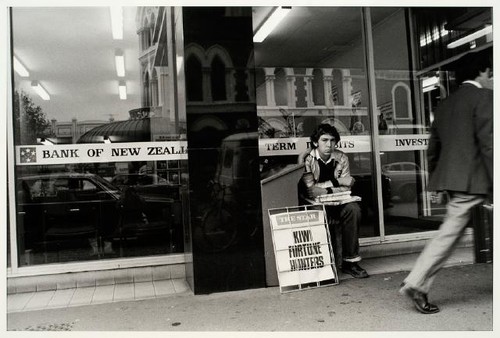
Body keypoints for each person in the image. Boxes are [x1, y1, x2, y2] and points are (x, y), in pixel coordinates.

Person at [399, 50, 493, 314]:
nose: (492, 78)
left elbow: (433, 149)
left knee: (450, 234)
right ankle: (416, 283)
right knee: (448, 235)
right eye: (491, 73)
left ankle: (418, 283)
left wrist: (438, 183)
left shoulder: (445, 104)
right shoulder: (484, 97)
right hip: (475, 180)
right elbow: (489, 145)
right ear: (483, 72)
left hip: (454, 180)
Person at [298, 123, 368, 278]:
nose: (329, 144)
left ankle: (351, 262)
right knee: (318, 213)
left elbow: (347, 186)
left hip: (338, 200)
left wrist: (328, 188)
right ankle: (324, 264)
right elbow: (312, 190)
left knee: (353, 209)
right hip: (316, 203)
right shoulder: (308, 159)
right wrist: (338, 182)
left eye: (332, 140)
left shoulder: (341, 157)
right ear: (316, 142)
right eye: (324, 140)